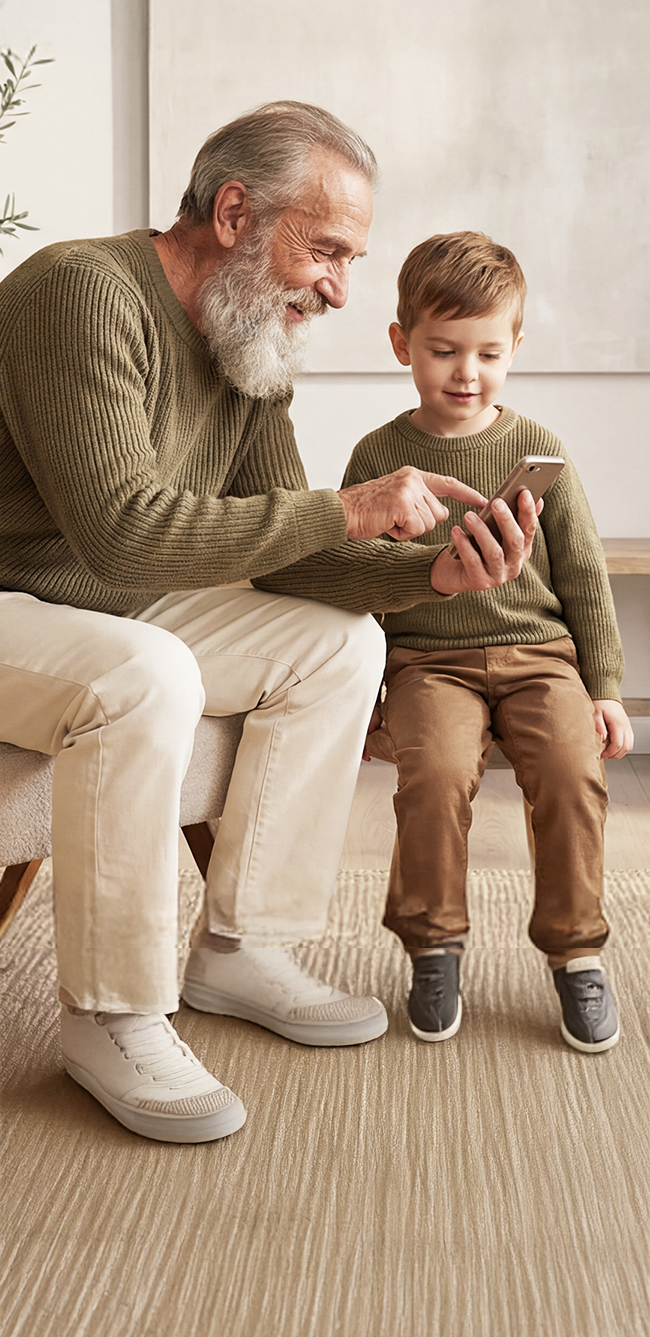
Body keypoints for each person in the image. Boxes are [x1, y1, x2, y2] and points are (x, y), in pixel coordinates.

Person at [0, 105, 538, 1146]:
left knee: (337, 643)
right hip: (25, 595)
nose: (338, 290)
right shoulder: (81, 291)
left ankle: (243, 948)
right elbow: (120, 532)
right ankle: (111, 1015)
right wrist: (351, 506)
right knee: (146, 674)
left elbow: (289, 555)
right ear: (235, 213)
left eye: (349, 261)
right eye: (326, 250)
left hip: (107, 599)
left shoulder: (245, 338)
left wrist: (431, 571)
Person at [321, 231, 632, 1053]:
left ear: (515, 348)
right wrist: (367, 693)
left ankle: (576, 953)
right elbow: (357, 583)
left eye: (489, 354)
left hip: (542, 659)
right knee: (433, 777)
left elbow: (585, 577)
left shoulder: (543, 454)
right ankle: (434, 947)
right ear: (402, 344)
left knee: (571, 772)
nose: (467, 372)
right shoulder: (378, 457)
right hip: (429, 665)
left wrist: (604, 688)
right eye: (445, 351)